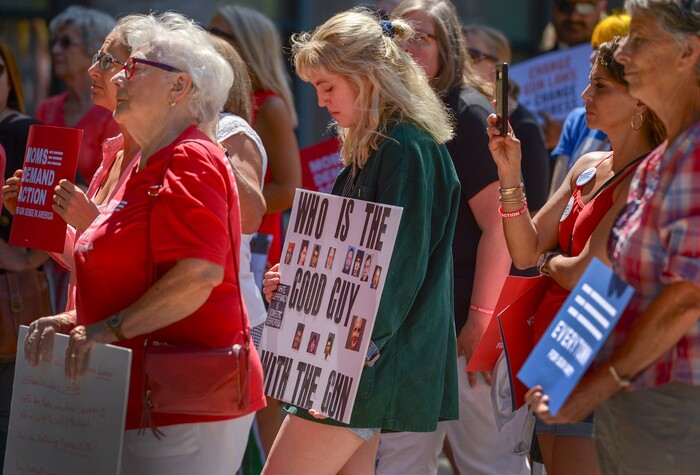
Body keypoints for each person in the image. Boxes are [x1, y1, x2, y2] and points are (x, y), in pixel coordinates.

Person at [21, 12, 266, 473]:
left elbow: (198, 276)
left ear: (180, 89)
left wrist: (106, 328)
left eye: (134, 68)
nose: (118, 76)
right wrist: (75, 317)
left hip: (184, 400)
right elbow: (133, 275)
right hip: (143, 394)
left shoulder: (192, 156)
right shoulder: (144, 161)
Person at [261, 9, 460, 473]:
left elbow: (401, 266)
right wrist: (295, 278)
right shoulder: (378, 145)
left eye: (328, 86)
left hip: (358, 361)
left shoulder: (405, 147)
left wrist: (355, 351)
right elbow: (349, 256)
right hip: (353, 356)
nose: (321, 101)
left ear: (368, 78)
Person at [527, 2, 700, 473]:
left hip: (673, 401)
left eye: (639, 39)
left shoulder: (692, 155)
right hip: (627, 397)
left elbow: (687, 297)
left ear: (688, 54)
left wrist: (592, 389)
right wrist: (565, 375)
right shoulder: (662, 158)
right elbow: (614, 282)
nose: (623, 50)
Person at [490, 37, 664, 475]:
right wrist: (509, 171)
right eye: (589, 84)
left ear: (640, 97)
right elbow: (525, 248)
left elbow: (584, 272)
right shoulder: (587, 163)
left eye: (600, 86)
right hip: (554, 352)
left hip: (598, 352)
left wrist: (549, 261)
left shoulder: (647, 174)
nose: (585, 96)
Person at [377, 2, 527, 474]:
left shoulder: (465, 112)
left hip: (466, 331)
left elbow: (501, 226)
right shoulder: (408, 114)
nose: (408, 46)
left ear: (449, 48)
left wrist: (480, 322)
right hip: (423, 334)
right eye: (399, 35)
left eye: (423, 37)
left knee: (491, 466)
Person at [209, 5, 302, 272]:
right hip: (222, 239)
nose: (205, 37)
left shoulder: (270, 105)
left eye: (216, 31)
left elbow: (288, 190)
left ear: (246, 45)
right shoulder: (219, 98)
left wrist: (228, 204)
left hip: (255, 247)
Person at [0, 41, 49, 470]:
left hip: (10, 302)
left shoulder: (25, 133)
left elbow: (49, 230)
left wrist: (24, 259)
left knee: (9, 427)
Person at [463, 24, 550, 214]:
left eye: (471, 55)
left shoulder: (524, 125)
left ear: (498, 66)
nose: (461, 63)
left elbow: (536, 211)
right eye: (456, 54)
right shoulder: (458, 111)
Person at [548, 13, 631, 196]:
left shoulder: (653, 144)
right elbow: (553, 204)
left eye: (607, 47)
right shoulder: (578, 120)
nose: (593, 55)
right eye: (593, 47)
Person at [37, 6, 119, 186]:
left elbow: (112, 185)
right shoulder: (48, 108)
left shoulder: (114, 112)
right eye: (54, 42)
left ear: (94, 50)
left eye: (66, 43)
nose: (56, 50)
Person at [538, 0, 608, 152]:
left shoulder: (621, 60)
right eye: (564, 7)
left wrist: (569, 134)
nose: (574, 17)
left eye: (585, 7)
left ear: (602, 5)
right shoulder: (534, 67)